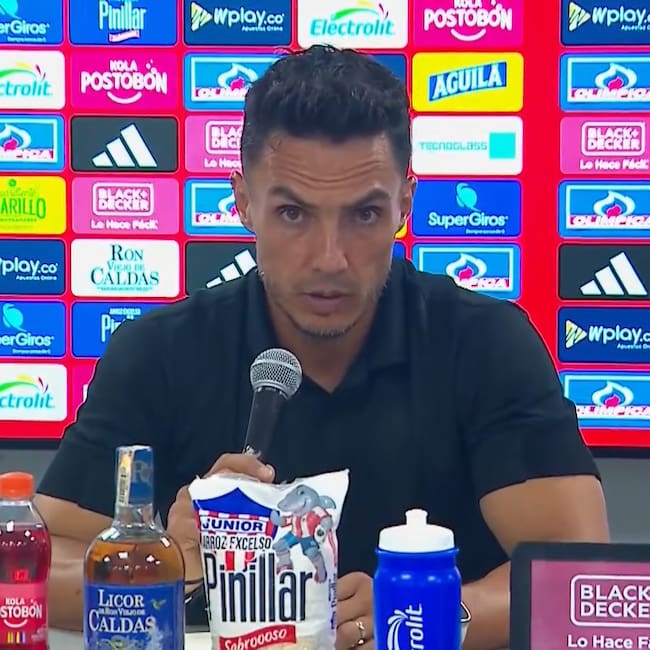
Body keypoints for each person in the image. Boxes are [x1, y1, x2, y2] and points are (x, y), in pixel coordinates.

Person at [35, 45, 609, 650]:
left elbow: (577, 578)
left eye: (364, 214)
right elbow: (40, 567)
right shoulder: (159, 352)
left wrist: (417, 613)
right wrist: (161, 562)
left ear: (405, 204)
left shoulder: (486, 344)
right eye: (293, 214)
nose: (330, 258)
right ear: (243, 202)